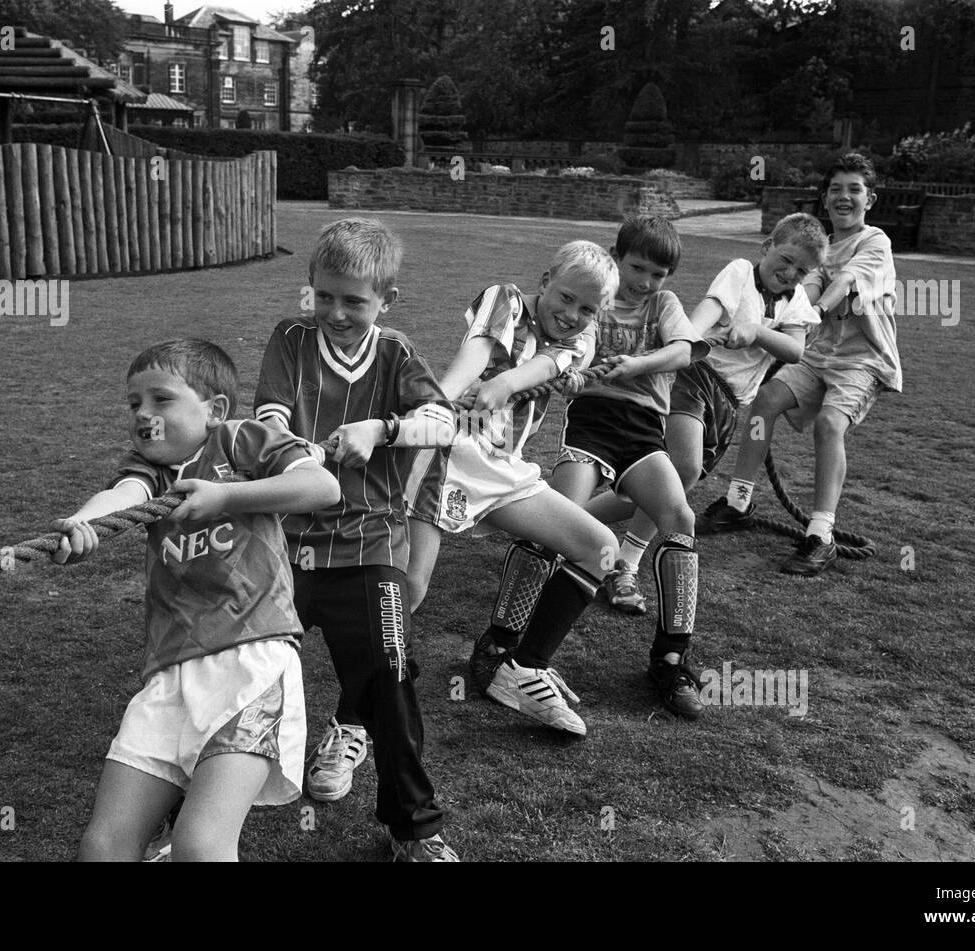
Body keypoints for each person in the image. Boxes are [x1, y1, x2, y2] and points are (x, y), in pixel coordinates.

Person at [53, 338, 340, 862]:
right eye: (133, 403)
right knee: (103, 846)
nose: (144, 414)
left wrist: (225, 495)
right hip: (167, 677)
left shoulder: (239, 441)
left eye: (161, 399)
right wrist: (85, 523)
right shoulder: (150, 469)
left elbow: (321, 487)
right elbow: (123, 498)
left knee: (200, 845)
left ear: (215, 410)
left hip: (253, 662)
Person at [254, 217, 460, 861]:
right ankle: (182, 825)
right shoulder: (291, 337)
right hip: (283, 541)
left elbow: (441, 421)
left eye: (354, 301)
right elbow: (268, 417)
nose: (336, 312)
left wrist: (380, 429)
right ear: (309, 288)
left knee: (389, 672)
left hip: (367, 544)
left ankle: (414, 831)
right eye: (324, 295)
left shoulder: (395, 352)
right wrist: (295, 456)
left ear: (386, 302)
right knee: (231, 676)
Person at [403, 241, 621, 738]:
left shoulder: (583, 341)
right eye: (565, 297)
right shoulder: (506, 298)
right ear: (545, 281)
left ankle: (521, 669)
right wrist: (441, 402)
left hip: (505, 470)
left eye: (587, 308)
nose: (572, 314)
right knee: (410, 588)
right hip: (449, 456)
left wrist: (502, 387)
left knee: (601, 549)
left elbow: (543, 368)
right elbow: (479, 348)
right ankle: (365, 698)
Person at [587, 212, 829, 613]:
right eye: (785, 259)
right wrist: (685, 342)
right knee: (682, 470)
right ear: (766, 247)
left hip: (731, 403)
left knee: (664, 491)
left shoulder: (796, 301)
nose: (789, 273)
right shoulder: (739, 272)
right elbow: (707, 312)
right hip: (696, 377)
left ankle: (569, 520)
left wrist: (755, 331)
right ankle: (623, 565)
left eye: (802, 270)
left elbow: (795, 350)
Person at [698, 154, 903, 577]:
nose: (844, 197)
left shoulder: (874, 241)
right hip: (818, 355)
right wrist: (783, 318)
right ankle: (738, 502)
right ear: (825, 198)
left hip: (861, 359)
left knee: (831, 423)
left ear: (871, 199)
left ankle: (821, 534)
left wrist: (809, 319)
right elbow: (806, 285)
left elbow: (844, 282)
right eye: (835, 190)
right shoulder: (819, 246)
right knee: (766, 401)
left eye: (854, 189)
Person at [546, 214, 710, 720]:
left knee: (680, 517)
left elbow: (684, 351)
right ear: (617, 257)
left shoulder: (663, 305)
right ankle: (506, 645)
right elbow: (571, 343)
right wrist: (572, 371)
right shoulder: (596, 296)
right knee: (561, 518)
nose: (645, 282)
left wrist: (637, 365)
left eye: (657, 274)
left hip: (642, 428)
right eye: (637, 267)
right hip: (592, 421)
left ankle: (670, 659)